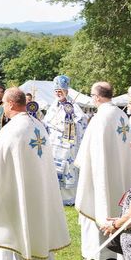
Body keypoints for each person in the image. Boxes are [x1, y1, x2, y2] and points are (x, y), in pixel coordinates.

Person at [0, 87, 70, 260]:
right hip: (40, 194)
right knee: (38, 229)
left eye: (4, 103)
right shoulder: (39, 126)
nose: (3, 107)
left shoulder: (10, 131)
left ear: (11, 104)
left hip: (15, 196)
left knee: (13, 238)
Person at [75, 81, 131, 260]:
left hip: (101, 177)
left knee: (99, 206)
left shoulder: (99, 119)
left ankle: (100, 253)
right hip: (123, 175)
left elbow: (84, 157)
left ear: (96, 97)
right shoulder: (122, 115)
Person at [42, 75, 87, 206]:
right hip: (54, 145)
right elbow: (47, 121)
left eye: (60, 91)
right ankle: (55, 196)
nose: (58, 93)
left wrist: (68, 125)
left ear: (66, 91)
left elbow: (82, 122)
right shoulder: (53, 106)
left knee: (67, 169)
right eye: (56, 91)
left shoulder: (74, 106)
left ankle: (69, 198)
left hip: (68, 145)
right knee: (54, 168)